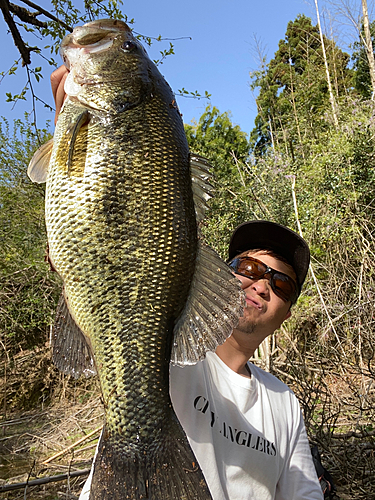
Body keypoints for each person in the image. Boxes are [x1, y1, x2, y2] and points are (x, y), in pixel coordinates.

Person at [50, 66, 323, 500]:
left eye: (281, 283)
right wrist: (75, 129)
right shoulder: (173, 362)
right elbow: (97, 237)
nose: (261, 284)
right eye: (250, 268)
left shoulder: (283, 404)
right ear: (221, 274)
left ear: (288, 311)